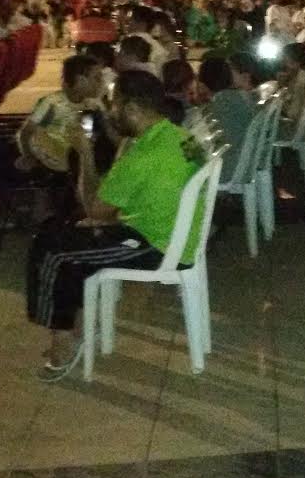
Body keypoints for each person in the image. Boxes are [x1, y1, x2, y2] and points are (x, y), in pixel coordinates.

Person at [24, 72, 207, 380]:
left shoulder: (143, 155)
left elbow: (94, 209)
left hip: (154, 244)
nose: (110, 111)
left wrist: (84, 153)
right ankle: (75, 328)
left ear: (132, 109)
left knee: (52, 250)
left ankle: (61, 339)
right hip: (177, 233)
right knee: (67, 240)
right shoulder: (180, 135)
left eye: (115, 104)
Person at [0, 54, 106, 256]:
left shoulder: (91, 107)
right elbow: (26, 133)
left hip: (59, 163)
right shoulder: (53, 104)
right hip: (27, 152)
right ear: (80, 80)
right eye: (96, 78)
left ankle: (58, 236)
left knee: (74, 189)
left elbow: (85, 137)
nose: (101, 82)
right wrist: (28, 156)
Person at [199, 56, 259, 181]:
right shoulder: (240, 95)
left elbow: (208, 138)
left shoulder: (220, 102)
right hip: (248, 159)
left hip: (229, 165)